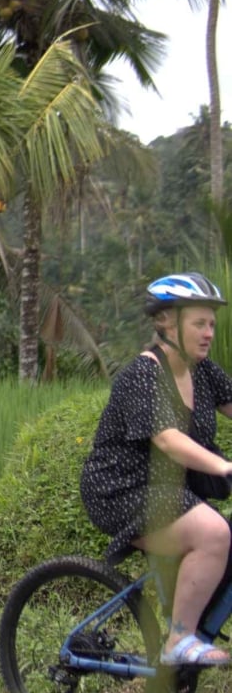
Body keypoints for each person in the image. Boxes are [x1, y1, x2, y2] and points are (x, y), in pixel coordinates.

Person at [80, 272, 232, 667]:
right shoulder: (144, 373)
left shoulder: (204, 373)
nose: (208, 333)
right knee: (214, 533)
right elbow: (167, 438)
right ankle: (178, 640)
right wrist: (225, 466)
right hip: (121, 490)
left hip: (169, 490)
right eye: (199, 323)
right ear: (166, 321)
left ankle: (195, 621)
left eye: (212, 324)